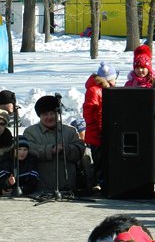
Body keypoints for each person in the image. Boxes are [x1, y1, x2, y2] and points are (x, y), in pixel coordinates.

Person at [23, 95, 85, 193]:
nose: (49, 117)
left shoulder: (70, 131)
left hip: (68, 190)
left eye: (52, 113)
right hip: (40, 190)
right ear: (40, 116)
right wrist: (51, 150)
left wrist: (66, 149)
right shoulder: (30, 132)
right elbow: (29, 150)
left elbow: (80, 149)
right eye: (45, 114)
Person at [83, 61, 117, 190]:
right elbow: (92, 112)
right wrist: (99, 130)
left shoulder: (105, 90)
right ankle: (97, 183)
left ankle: (104, 181)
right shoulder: (95, 91)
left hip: (104, 131)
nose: (115, 82)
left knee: (105, 159)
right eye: (113, 80)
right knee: (99, 160)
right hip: (96, 133)